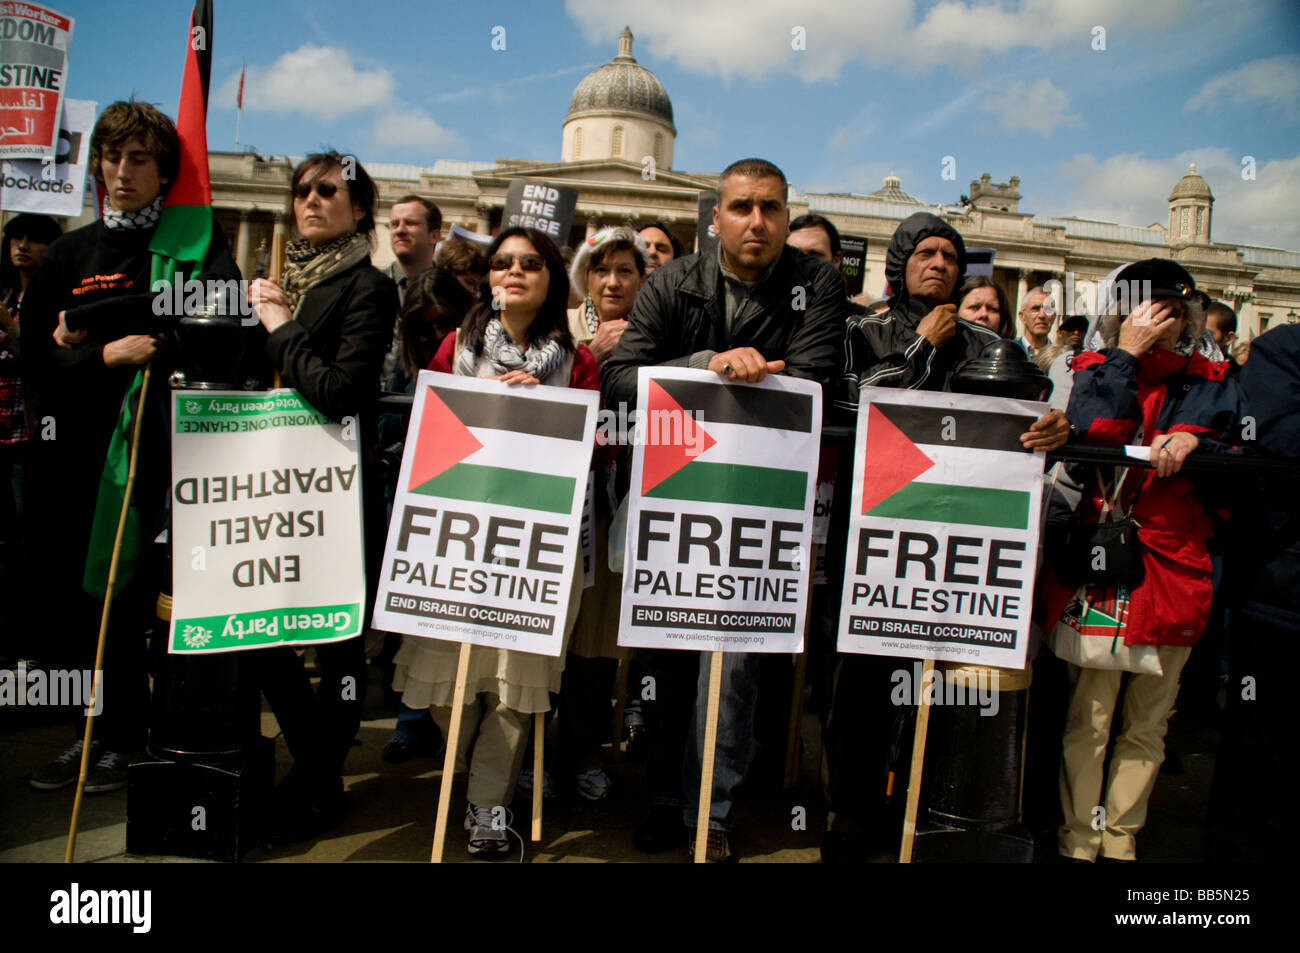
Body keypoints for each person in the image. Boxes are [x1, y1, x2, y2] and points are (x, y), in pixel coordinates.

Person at [603, 157, 846, 862]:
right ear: (716, 219)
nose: (757, 222)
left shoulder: (816, 284)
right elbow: (621, 380)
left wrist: (756, 375)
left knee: (735, 663)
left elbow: (817, 380)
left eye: (771, 208)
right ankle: (664, 799)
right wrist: (709, 363)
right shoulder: (673, 281)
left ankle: (714, 807)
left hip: (758, 505)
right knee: (666, 654)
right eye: (741, 207)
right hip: (673, 496)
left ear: (787, 218)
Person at [822, 212, 1068, 862]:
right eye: (925, 252)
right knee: (866, 684)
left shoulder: (989, 341)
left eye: (950, 256)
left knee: (941, 683)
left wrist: (1054, 427)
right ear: (900, 261)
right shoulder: (861, 328)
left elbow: (1025, 412)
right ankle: (852, 810)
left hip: (956, 540)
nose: (938, 264)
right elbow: (853, 408)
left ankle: (919, 805)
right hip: (877, 534)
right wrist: (921, 348)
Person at [21, 101, 240, 793]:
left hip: (171, 458)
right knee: (92, 608)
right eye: (112, 158)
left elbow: (228, 332)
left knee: (156, 607)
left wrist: (99, 328)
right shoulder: (67, 253)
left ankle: (153, 733)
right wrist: (105, 354)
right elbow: (35, 362)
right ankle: (97, 737)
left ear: (163, 170)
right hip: (86, 461)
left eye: (140, 159)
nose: (122, 171)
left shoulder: (196, 250)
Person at [392, 226, 597, 858]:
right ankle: (473, 768)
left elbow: (598, 448)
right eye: (502, 262)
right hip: (459, 543)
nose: (514, 271)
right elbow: (424, 429)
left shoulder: (578, 361)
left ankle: (488, 804)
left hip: (537, 547)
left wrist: (549, 411)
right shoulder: (456, 347)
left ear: (551, 276)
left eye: (530, 262)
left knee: (515, 683)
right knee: (456, 683)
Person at [1036, 259, 1239, 863]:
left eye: (1176, 311)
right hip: (1106, 566)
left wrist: (1199, 440)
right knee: (1089, 718)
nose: (1163, 321)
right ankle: (1078, 839)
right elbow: (1096, 430)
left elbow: (1236, 441)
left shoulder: (1214, 377)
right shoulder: (1094, 366)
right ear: (1123, 312)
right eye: (1149, 308)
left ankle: (1121, 842)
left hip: (1175, 569)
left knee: (1149, 722)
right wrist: (1126, 356)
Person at [246, 151, 397, 841]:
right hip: (263, 485)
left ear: (359, 207)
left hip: (334, 486)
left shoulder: (368, 286)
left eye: (328, 191)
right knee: (253, 631)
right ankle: (318, 767)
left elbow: (341, 389)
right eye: (302, 190)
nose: (310, 200)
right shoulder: (275, 281)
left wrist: (280, 326)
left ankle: (314, 781)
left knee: (338, 649)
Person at [0, 213, 61, 660]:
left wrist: (8, 323)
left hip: (32, 436)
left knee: (28, 543)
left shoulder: (54, 298)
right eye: (15, 238)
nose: (22, 246)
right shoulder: (4, 291)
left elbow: (44, 361)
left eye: (33, 240)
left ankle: (30, 646)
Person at [1016, 285, 1053, 357]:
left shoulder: (1060, 358)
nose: (1042, 315)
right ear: (1022, 317)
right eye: (1035, 309)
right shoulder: (1009, 353)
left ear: (1054, 316)